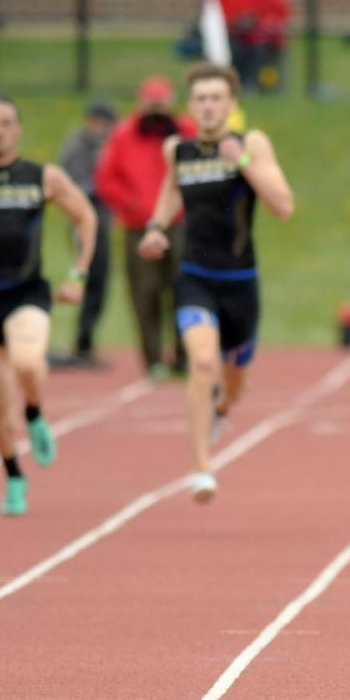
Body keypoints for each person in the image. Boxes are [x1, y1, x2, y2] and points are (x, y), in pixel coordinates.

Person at [138, 64, 294, 503]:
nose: (208, 106)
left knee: (234, 381)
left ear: (231, 105)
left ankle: (223, 408)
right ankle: (201, 467)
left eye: (216, 98)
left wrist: (241, 162)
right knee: (201, 361)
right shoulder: (179, 150)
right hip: (196, 277)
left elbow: (283, 204)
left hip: (240, 281)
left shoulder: (251, 144)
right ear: (191, 106)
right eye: (201, 99)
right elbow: (171, 193)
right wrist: (154, 227)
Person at [0, 96, 97, 515]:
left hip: (25, 292)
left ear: (18, 130)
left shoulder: (42, 177)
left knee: (27, 362)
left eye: (5, 123)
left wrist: (78, 275)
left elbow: (85, 217)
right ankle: (13, 476)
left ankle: (35, 412)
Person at [96, 75, 198, 379]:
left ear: (171, 102)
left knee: (184, 289)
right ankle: (153, 359)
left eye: (161, 102)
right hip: (137, 226)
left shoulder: (187, 132)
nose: (156, 109)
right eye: (151, 102)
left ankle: (183, 356)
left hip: (179, 225)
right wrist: (132, 206)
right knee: (145, 293)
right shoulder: (124, 135)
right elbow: (107, 179)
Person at [54, 101, 116, 366]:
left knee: (99, 281)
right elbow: (78, 186)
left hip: (101, 219)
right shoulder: (78, 146)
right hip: (84, 220)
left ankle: (85, 342)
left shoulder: (104, 145)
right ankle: (82, 343)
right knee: (91, 277)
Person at [206, 0, 292, 93]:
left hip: (262, 39)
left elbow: (281, 14)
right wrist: (236, 23)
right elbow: (215, 19)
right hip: (233, 38)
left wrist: (259, 23)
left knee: (261, 52)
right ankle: (235, 84)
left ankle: (258, 85)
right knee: (236, 51)